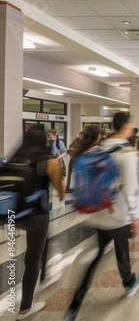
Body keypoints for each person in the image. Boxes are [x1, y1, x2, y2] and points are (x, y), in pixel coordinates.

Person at [64, 114, 139, 321]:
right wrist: (136, 216)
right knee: (121, 249)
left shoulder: (100, 147)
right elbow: (131, 188)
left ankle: (75, 303)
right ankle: (129, 282)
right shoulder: (126, 152)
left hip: (98, 211)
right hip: (117, 214)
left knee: (100, 253)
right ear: (126, 126)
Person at [9, 126, 63, 320]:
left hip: (14, 214)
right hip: (36, 216)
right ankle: (25, 308)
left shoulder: (15, 158)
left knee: (40, 244)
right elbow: (60, 190)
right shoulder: (46, 161)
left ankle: (43, 268)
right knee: (32, 260)